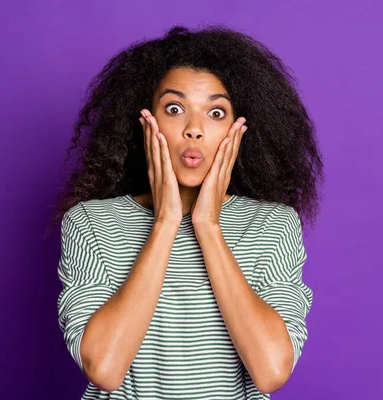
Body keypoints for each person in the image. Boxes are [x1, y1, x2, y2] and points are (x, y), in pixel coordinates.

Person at [52, 24, 324, 399]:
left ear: (239, 129)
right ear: (146, 119)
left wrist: (208, 226)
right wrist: (166, 221)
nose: (194, 129)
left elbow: (271, 371)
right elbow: (105, 368)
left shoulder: (272, 225)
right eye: (175, 108)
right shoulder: (91, 223)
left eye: (215, 112)